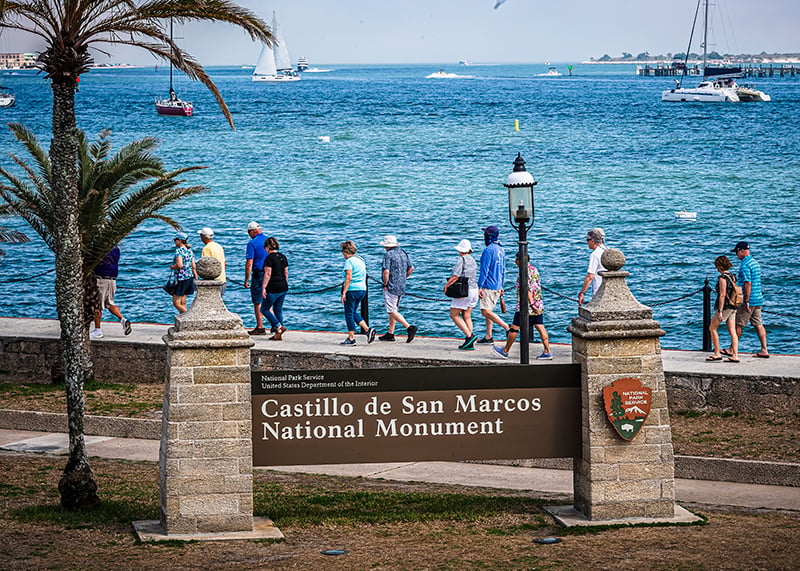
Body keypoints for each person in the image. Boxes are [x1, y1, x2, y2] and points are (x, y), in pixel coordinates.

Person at [493, 252, 552, 360]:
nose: (515, 263)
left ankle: (505, 351)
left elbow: (527, 289)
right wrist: (535, 304)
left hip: (526, 306)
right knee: (540, 325)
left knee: (514, 328)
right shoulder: (534, 269)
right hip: (538, 303)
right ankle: (547, 351)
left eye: (516, 260)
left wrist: (531, 304)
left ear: (519, 261)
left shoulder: (523, 272)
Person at [726, 241, 769, 358]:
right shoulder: (755, 263)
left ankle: (732, 349)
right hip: (758, 298)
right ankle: (764, 349)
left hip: (748, 300)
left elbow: (747, 283)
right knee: (758, 324)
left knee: (738, 324)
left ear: (742, 251)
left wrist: (746, 301)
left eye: (737, 252)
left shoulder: (745, 265)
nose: (736, 255)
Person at [378, 235, 417, 343]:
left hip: (391, 285)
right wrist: (403, 277)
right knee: (394, 309)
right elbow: (411, 268)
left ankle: (409, 327)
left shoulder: (388, 255)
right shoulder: (403, 253)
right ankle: (391, 333)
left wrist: (385, 283)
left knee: (391, 310)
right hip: (401, 285)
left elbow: (386, 271)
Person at [89, 245, 132, 339]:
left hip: (101, 279)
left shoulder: (99, 249)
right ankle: (123, 320)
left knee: (97, 305)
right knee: (109, 303)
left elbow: (94, 261)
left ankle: (98, 330)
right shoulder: (116, 249)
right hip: (112, 280)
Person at [477, 225, 509, 344]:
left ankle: (506, 327)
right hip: (498, 284)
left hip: (488, 285)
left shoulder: (488, 250)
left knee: (485, 311)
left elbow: (484, 270)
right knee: (489, 310)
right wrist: (501, 286)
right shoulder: (501, 249)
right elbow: (503, 269)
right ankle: (489, 336)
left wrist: (479, 286)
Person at [445, 239, 479, 350]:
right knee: (467, 315)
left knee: (454, 314)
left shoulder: (461, 259)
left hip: (465, 291)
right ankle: (469, 343)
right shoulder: (473, 260)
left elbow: (456, 276)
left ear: (460, 250)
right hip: (475, 290)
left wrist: (446, 286)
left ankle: (469, 337)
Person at [339, 240, 375, 345]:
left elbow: (348, 278)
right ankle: (367, 330)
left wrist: (344, 292)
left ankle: (351, 338)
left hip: (352, 290)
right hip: (362, 289)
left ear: (345, 251)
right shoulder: (361, 260)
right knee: (353, 311)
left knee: (349, 314)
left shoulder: (349, 262)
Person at [706, 255, 739, 363]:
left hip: (724, 306)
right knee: (732, 331)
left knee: (712, 328)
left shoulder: (722, 278)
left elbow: (722, 295)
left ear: (719, 266)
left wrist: (720, 310)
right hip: (733, 306)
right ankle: (735, 355)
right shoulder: (733, 276)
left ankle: (717, 353)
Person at [260, 236, 289, 341]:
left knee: (264, 309)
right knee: (278, 309)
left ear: (267, 247)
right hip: (283, 286)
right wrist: (284, 282)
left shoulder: (269, 258)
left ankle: (278, 326)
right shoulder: (283, 257)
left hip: (273, 287)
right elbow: (286, 272)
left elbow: (268, 273)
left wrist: (264, 287)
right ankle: (278, 333)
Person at [243, 221, 267, 335]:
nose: (249, 234)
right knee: (269, 299)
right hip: (270, 272)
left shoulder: (252, 243)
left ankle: (260, 326)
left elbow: (249, 262)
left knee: (257, 301)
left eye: (249, 232)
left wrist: (246, 279)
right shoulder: (269, 240)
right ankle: (275, 324)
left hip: (259, 273)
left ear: (253, 231)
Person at [578, 227, 608, 306]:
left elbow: (590, 276)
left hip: (599, 290)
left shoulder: (595, 254)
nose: (587, 242)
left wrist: (582, 293)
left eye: (587, 240)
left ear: (592, 241)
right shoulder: (607, 250)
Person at [170, 232, 197, 314]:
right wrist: (195, 275)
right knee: (183, 303)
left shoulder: (179, 251)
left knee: (176, 303)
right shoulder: (189, 250)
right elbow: (193, 265)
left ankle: (189, 316)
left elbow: (179, 265)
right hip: (189, 277)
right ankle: (184, 322)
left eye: (175, 240)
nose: (174, 242)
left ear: (180, 240)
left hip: (181, 278)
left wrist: (172, 267)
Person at [198, 227, 226, 295]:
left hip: (213, 283)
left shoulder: (206, 248)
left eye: (201, 235)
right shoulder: (218, 246)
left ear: (204, 236)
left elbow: (205, 266)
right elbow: (224, 263)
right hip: (222, 279)